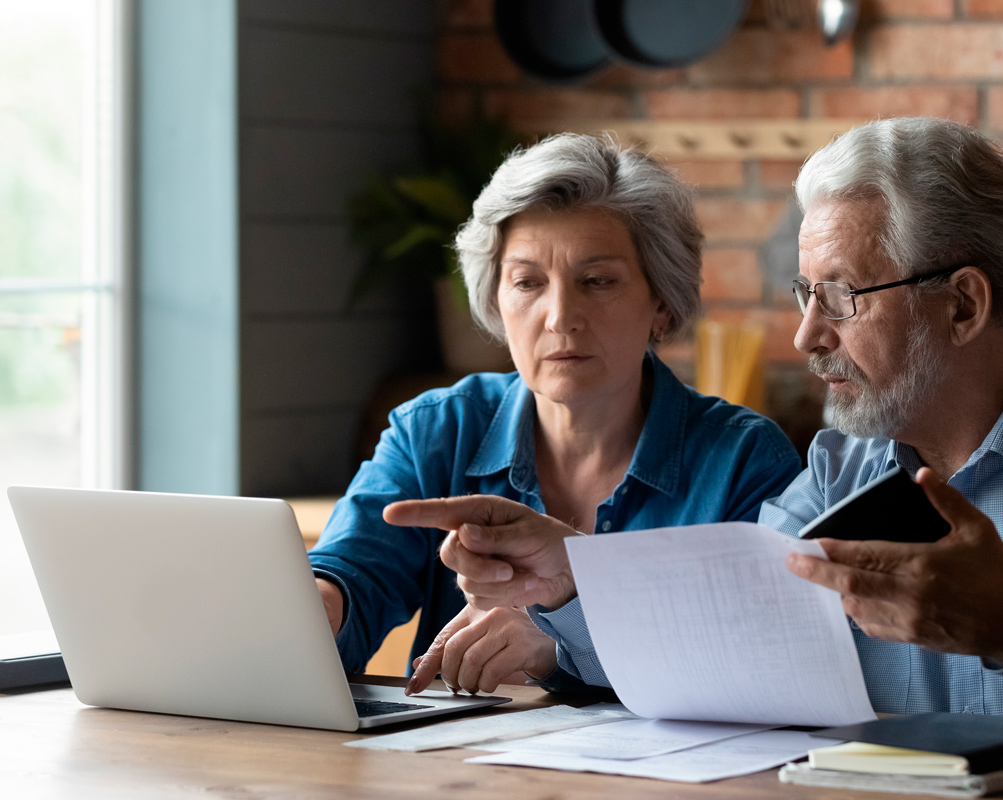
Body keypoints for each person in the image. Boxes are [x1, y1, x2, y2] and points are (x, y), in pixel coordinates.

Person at [386, 118, 1003, 742]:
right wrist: (571, 577)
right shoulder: (841, 469)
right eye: (802, 296)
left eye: (841, 298)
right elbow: (717, 636)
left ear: (963, 304)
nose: (808, 337)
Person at [307, 133, 802, 696]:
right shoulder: (436, 431)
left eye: (597, 281)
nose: (561, 316)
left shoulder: (745, 461)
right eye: (527, 282)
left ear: (661, 303)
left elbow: (760, 656)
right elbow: (355, 572)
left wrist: (563, 645)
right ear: (496, 300)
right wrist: (320, 608)